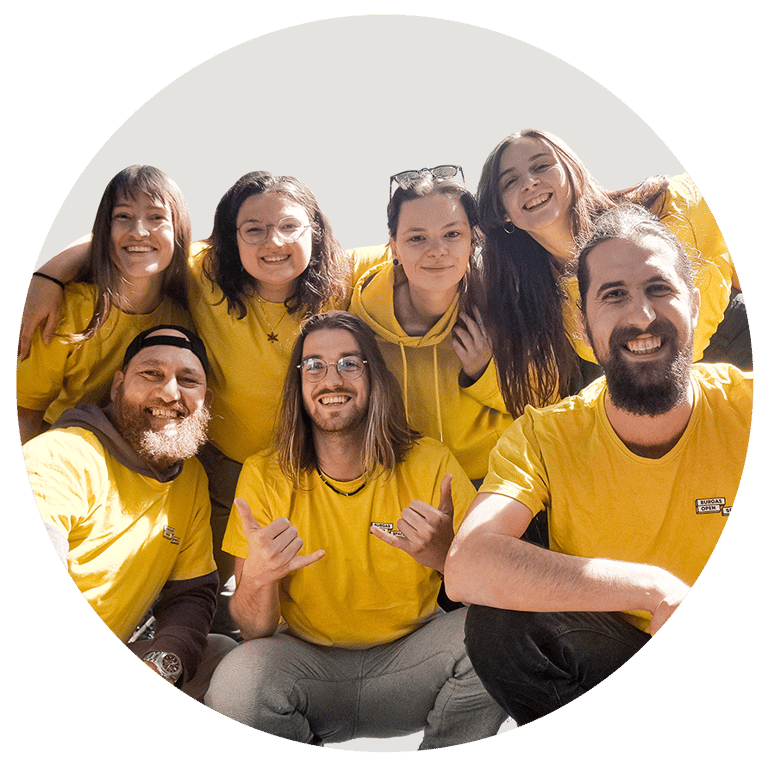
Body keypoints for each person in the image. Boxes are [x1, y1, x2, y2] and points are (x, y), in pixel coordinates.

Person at [17, 171, 386, 630]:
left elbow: (420, 245)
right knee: (199, 596)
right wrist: (49, 274)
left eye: (290, 226)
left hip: (302, 468)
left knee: (308, 597)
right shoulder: (205, 275)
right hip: (214, 469)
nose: (274, 241)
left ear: (314, 230)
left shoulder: (338, 281)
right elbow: (143, 237)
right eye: (254, 229)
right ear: (231, 237)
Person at [444, 205, 753, 726]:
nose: (641, 316)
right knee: (500, 625)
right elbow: (467, 564)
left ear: (696, 306)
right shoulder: (545, 435)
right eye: (614, 295)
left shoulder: (746, 406)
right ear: (583, 327)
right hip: (619, 655)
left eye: (660, 289)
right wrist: (651, 587)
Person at [205, 311, 506, 749]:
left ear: (374, 377)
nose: (332, 379)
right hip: (307, 667)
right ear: (299, 382)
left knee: (497, 637)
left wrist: (444, 556)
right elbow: (254, 631)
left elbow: (491, 587)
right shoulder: (265, 474)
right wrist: (260, 578)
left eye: (350, 363)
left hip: (411, 660)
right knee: (237, 680)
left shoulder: (429, 462)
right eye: (314, 365)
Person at [475, 128, 752, 417]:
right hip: (662, 408)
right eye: (511, 181)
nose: (530, 182)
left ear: (573, 172)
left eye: (541, 166)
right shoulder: (541, 304)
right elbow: (541, 397)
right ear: (502, 211)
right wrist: (480, 371)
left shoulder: (670, 206)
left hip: (739, 353)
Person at [23, 325, 236, 701]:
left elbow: (192, 595)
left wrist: (161, 662)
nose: (169, 393)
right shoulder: (61, 455)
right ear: (117, 384)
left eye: (188, 380)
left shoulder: (191, 479)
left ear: (206, 399)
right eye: (151, 374)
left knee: (225, 660)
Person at [349, 166, 512, 482]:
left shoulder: (498, 304)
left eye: (452, 234)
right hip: (396, 484)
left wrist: (483, 372)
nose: (437, 250)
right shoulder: (357, 315)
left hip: (490, 480)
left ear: (473, 239)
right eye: (417, 238)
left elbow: (541, 402)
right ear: (394, 247)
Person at [16, 165, 192, 444]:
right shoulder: (67, 310)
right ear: (104, 229)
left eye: (156, 217)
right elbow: (25, 413)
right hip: (56, 440)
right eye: (123, 216)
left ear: (179, 230)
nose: (139, 231)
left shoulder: (183, 318)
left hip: (134, 448)